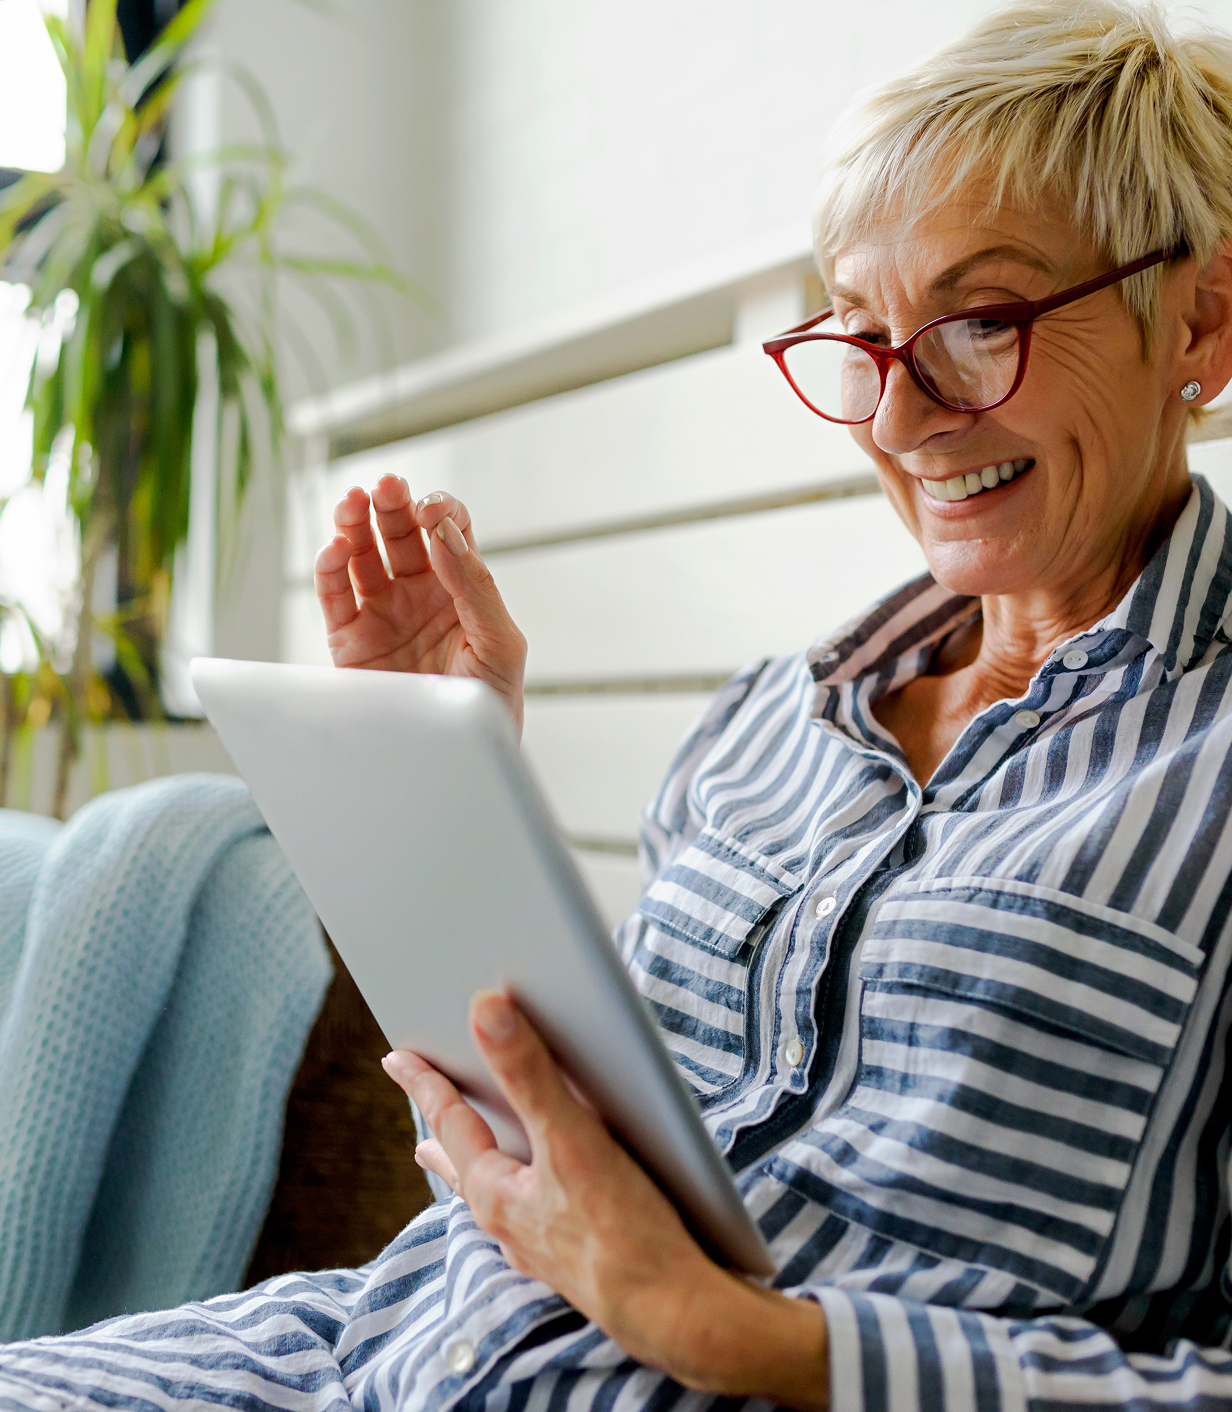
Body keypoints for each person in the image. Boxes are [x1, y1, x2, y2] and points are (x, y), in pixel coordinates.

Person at [5, 0, 1232, 1407]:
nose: (900, 420)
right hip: (375, 1347)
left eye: (979, 323)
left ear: (1199, 320)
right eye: (864, 339)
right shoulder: (764, 726)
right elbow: (557, 1147)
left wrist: (738, 1337)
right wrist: (452, 800)